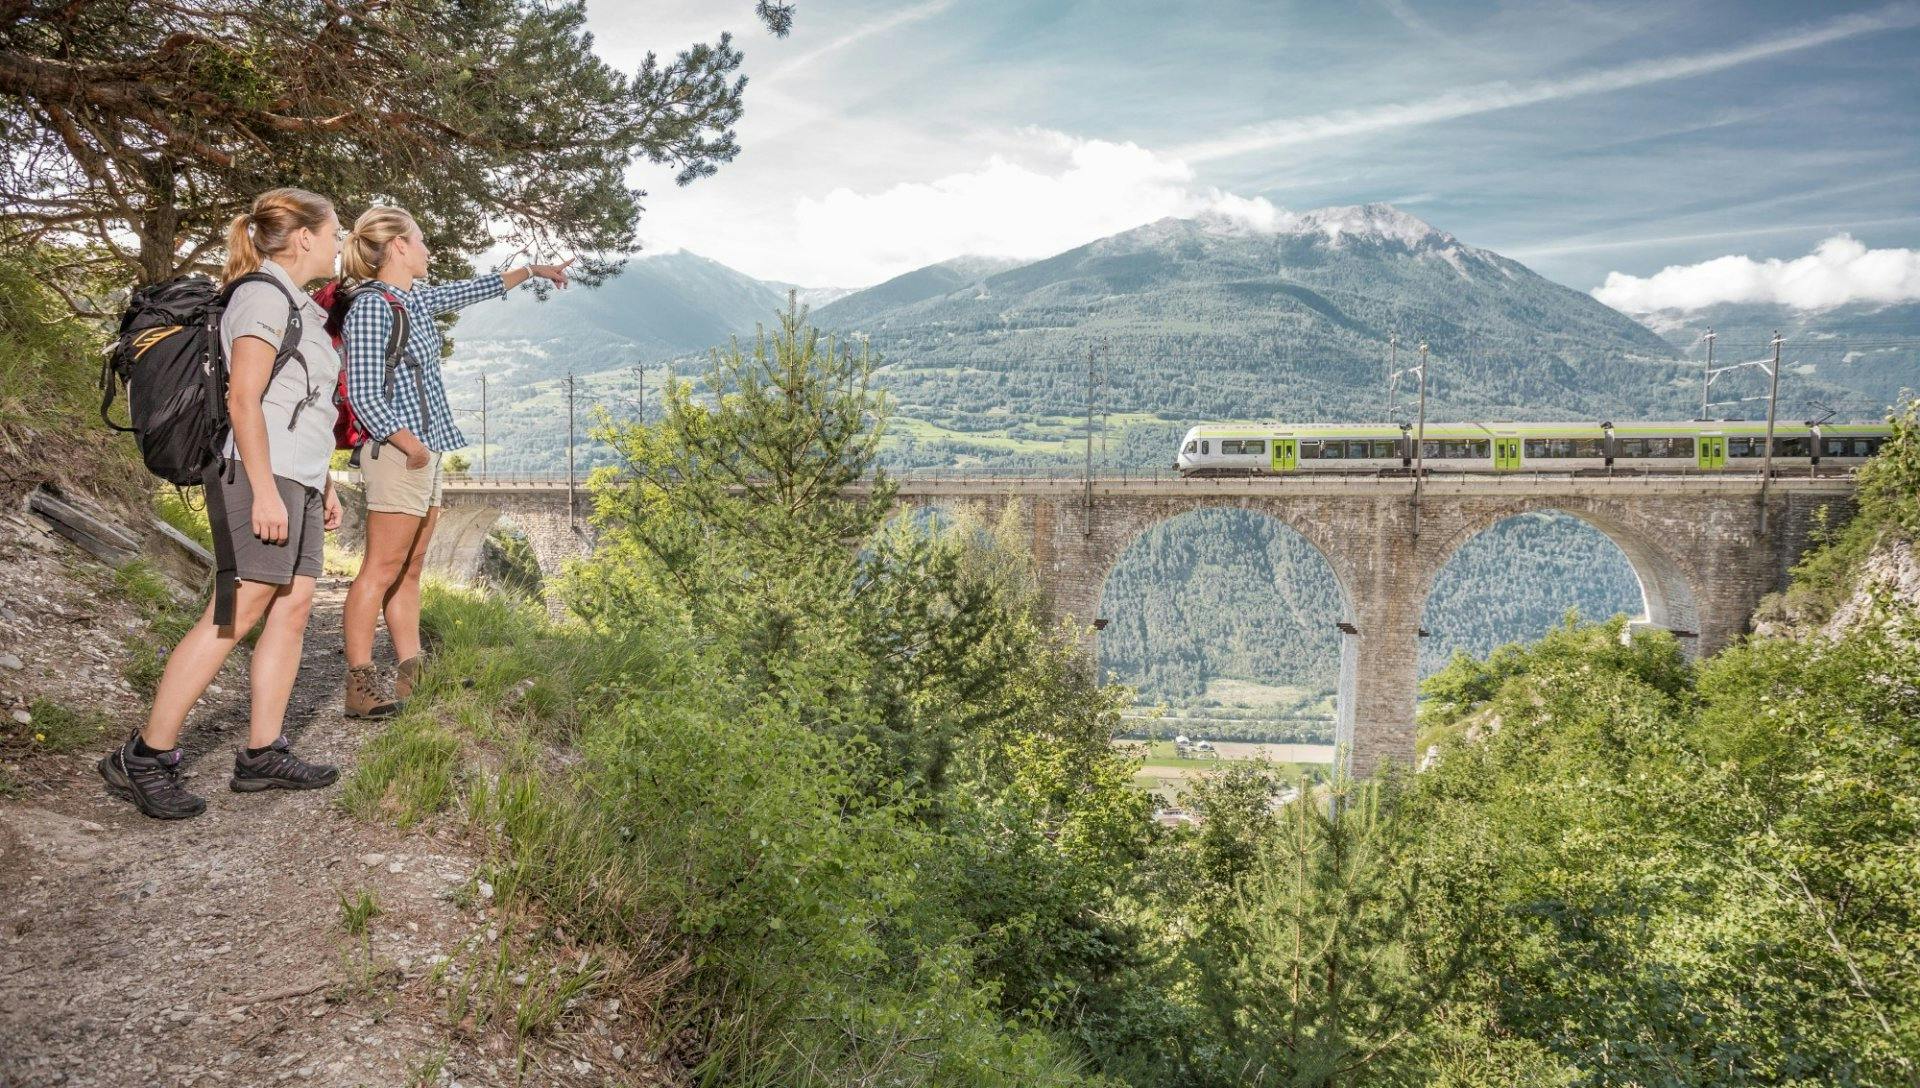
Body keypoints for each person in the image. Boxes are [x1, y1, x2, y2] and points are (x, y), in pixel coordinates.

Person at [99, 187, 346, 820]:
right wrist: (264, 491)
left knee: (292, 610)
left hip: (296, 478)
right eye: (334, 232)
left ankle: (263, 753)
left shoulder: (299, 305)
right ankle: (145, 756)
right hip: (258, 476)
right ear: (305, 238)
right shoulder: (262, 297)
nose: (340, 244)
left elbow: (301, 407)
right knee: (232, 614)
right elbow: (243, 401)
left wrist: (323, 483)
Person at [337, 206, 572, 717]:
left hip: (424, 453)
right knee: (380, 569)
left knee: (411, 568)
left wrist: (532, 270)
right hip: (399, 454)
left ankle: (413, 675)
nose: (428, 249)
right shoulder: (373, 307)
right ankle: (360, 685)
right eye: (420, 240)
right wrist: (412, 447)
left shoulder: (415, 299)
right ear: (398, 246)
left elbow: (474, 289)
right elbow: (363, 392)